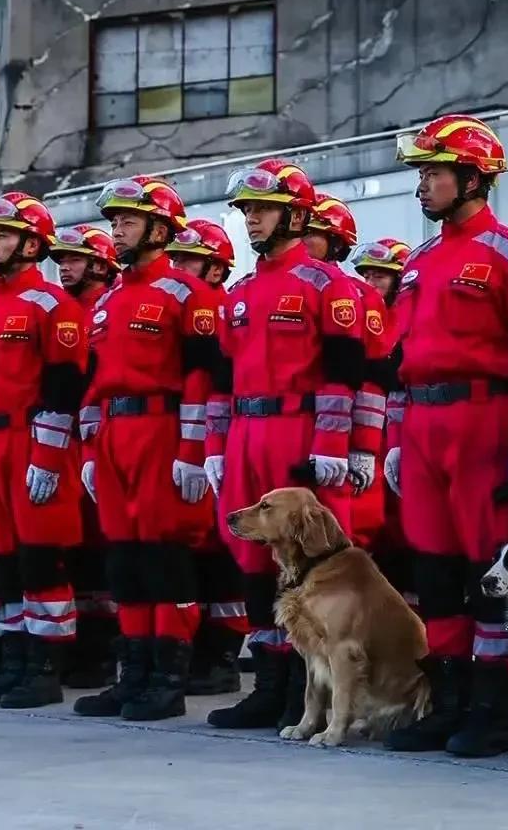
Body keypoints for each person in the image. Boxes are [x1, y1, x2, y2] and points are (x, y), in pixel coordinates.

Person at [385, 114, 508, 759]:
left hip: (486, 424)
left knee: (488, 573)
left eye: (433, 174)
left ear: (472, 177)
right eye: (422, 175)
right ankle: (449, 701)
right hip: (426, 426)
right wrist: (398, 438)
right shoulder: (422, 262)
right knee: (434, 573)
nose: (423, 186)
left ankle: (490, 712)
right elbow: (402, 358)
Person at [202, 164, 364, 731]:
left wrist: (332, 446)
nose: (251, 219)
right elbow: (221, 380)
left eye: (262, 209)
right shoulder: (240, 293)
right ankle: (268, 687)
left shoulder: (326, 285)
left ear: (295, 216)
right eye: (246, 210)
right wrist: (215, 446)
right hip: (246, 435)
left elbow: (343, 375)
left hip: (297, 433)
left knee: (307, 565)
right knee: (250, 561)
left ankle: (309, 690)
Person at [73, 175, 224, 722]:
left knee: (165, 557)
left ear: (160, 229)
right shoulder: (109, 300)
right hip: (115, 435)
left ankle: (168, 678)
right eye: (114, 223)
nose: (117, 232)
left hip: (162, 433)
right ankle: (132, 674)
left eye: (128, 222)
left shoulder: (189, 295)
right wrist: (90, 452)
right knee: (125, 559)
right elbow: (93, 382)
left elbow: (202, 378)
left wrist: (191, 448)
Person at [0, 192, 89, 709]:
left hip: (30, 444)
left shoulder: (54, 306)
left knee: (40, 561)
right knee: (4, 562)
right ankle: (12, 662)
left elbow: (64, 385)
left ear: (33, 244)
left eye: (3, 235)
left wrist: (49, 455)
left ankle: (43, 669)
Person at [165, 218, 249, 698]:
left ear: (216, 269)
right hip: (190, 441)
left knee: (218, 551)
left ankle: (221, 653)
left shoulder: (216, 311)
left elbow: (205, 388)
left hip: (215, 442)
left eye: (188, 260)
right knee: (199, 549)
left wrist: (196, 451)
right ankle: (204, 649)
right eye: (174, 259)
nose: (177, 268)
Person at [47, 222, 121, 689]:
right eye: (61, 261)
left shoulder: (103, 310)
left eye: (73, 259)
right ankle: (79, 648)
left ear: (98, 263)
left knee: (101, 550)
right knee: (74, 551)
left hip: (100, 440)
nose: (64, 268)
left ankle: (100, 651)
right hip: (66, 442)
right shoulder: (61, 311)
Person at [302, 196, 388, 552]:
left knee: (341, 537)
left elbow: (371, 376)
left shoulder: (360, 295)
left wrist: (363, 447)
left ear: (336, 242)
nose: (302, 239)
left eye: (313, 233)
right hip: (292, 429)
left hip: (339, 436)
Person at [350, 237, 415, 600]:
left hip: (402, 429)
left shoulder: (408, 320)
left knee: (406, 523)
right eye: (368, 275)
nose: (371, 283)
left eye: (381, 276)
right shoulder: (363, 316)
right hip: (373, 431)